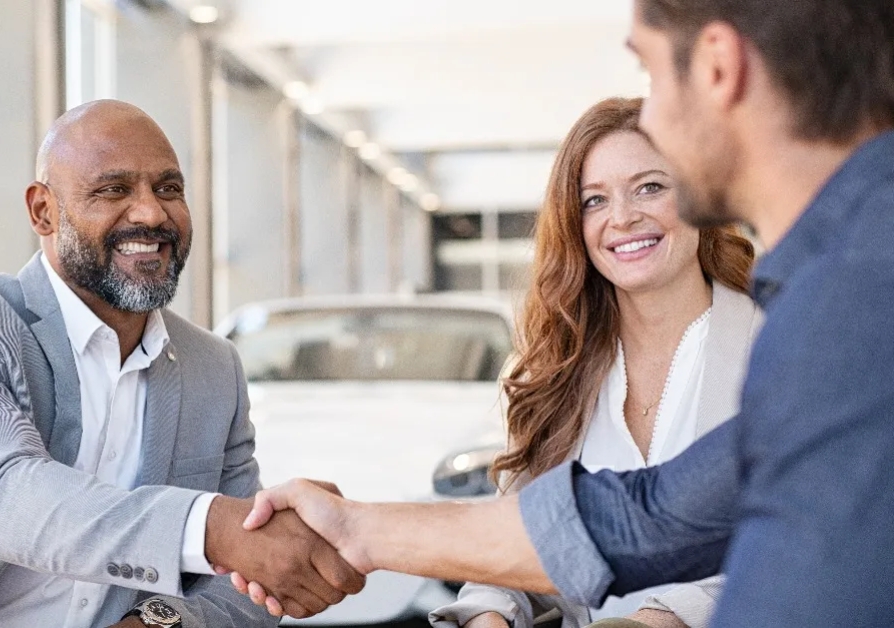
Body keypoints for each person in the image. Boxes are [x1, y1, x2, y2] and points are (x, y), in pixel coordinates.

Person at [228, 1, 894, 625]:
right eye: (594, 199)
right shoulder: (834, 285)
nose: (654, 120)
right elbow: (648, 519)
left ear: (720, 67)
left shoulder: (846, 303)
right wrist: (359, 529)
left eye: (650, 74)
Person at [0, 100, 363, 628]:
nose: (151, 214)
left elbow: (244, 581)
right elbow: (10, 497)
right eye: (114, 190)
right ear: (43, 211)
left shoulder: (213, 367)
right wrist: (214, 528)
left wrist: (156, 623)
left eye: (168, 189)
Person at [429, 97, 760, 628]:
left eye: (650, 187)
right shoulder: (556, 368)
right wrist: (488, 613)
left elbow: (801, 538)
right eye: (594, 200)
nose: (622, 217)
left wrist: (658, 621)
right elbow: (514, 548)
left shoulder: (773, 342)